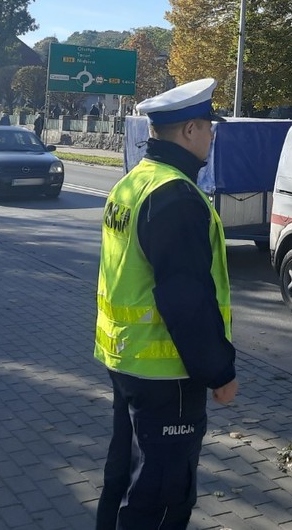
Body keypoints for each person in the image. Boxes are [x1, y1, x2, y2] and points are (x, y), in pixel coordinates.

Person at [94, 78, 239, 530]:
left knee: (124, 480)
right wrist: (219, 372)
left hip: (127, 360)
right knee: (160, 499)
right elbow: (186, 299)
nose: (213, 137)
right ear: (190, 130)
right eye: (209, 128)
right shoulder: (175, 195)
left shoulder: (135, 182)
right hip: (167, 376)